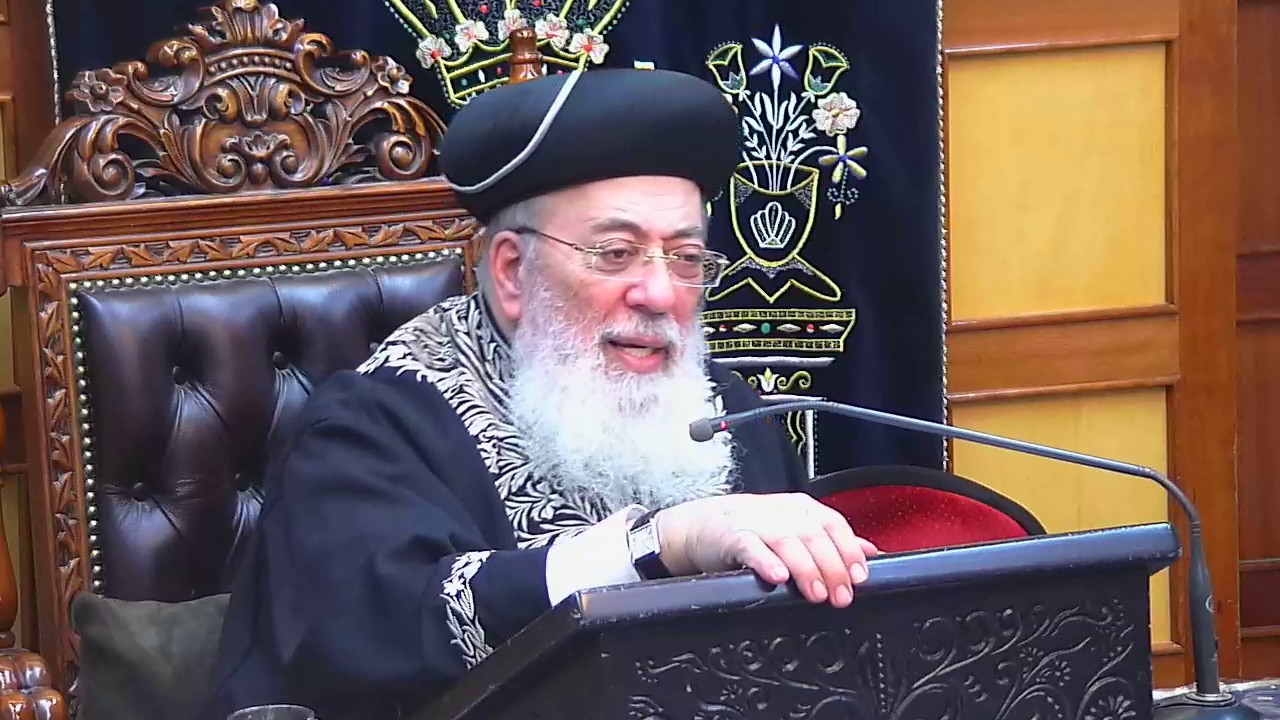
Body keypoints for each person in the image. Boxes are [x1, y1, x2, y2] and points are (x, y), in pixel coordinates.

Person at [203, 67, 879, 720]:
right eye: (616, 253)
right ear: (511, 272)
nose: (660, 293)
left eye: (685, 257)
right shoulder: (371, 427)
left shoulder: (727, 411)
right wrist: (656, 545)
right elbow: (378, 633)